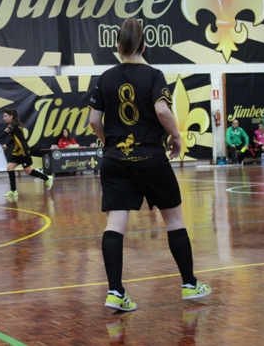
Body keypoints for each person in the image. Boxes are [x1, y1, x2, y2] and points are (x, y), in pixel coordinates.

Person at [88, 18, 211, 312]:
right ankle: (189, 284)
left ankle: (115, 292)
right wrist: (176, 137)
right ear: (144, 46)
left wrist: (110, 144)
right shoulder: (154, 75)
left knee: (114, 225)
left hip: (115, 161)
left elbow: (94, 121)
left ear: (118, 46)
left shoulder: (105, 77)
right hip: (150, 158)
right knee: (174, 221)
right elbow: (161, 109)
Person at [0, 108, 54, 197]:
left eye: (5, 116)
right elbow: (14, 138)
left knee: (28, 171)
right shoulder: (13, 126)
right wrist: (7, 145)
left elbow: (5, 133)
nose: (4, 118)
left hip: (23, 151)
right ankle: (13, 190)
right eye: (3, 116)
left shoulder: (14, 125)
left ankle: (47, 178)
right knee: (10, 168)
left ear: (11, 116)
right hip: (17, 152)